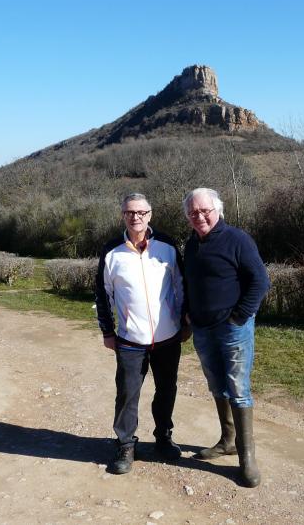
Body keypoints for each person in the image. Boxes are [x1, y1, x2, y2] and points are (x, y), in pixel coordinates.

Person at [182, 187, 270, 488]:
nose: (199, 216)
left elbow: (260, 281)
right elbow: (189, 283)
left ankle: (247, 458)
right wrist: (189, 314)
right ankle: (228, 440)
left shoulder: (237, 239)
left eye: (204, 210)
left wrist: (239, 316)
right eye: (193, 212)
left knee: (238, 389)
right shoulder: (191, 245)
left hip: (233, 328)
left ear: (217, 209)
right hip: (203, 329)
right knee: (217, 385)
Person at [95, 193, 186, 475]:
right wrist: (107, 330)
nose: (135, 217)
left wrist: (185, 323)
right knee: (127, 393)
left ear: (150, 214)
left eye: (141, 212)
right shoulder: (111, 251)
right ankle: (125, 444)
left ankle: (163, 437)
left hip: (168, 336)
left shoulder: (167, 245)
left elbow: (181, 285)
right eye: (129, 212)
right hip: (130, 339)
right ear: (123, 215)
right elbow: (103, 293)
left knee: (166, 389)